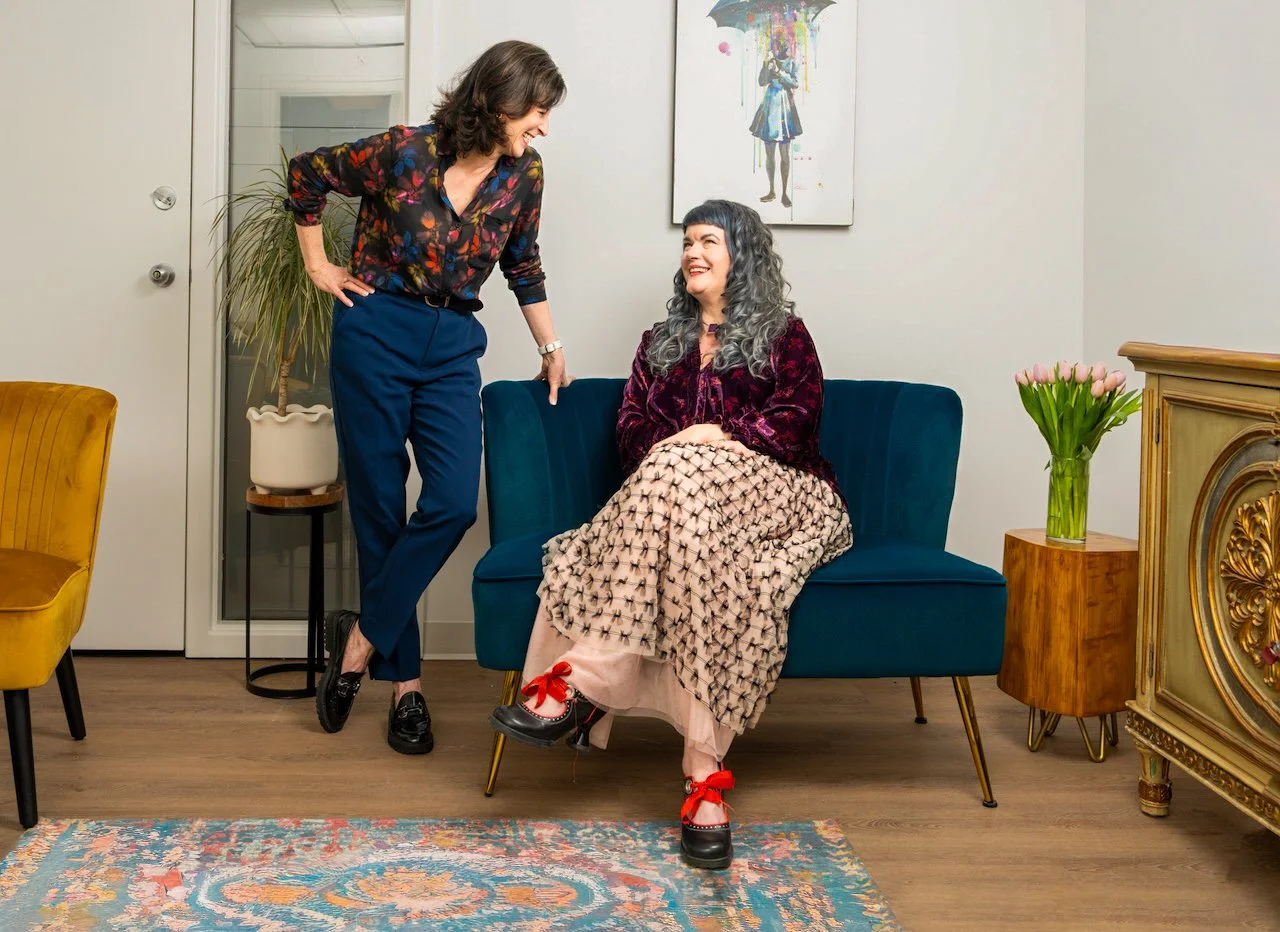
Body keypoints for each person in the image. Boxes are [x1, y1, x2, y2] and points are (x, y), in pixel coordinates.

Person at [489, 199, 851, 869]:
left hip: (782, 496)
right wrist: (684, 451)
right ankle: (703, 778)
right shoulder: (660, 341)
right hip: (684, 509)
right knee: (685, 519)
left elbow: (798, 423)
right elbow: (631, 434)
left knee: (681, 463)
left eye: (709, 240)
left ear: (742, 255)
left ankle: (578, 681)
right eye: (687, 241)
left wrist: (714, 436)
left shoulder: (784, 334)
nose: (693, 251)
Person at [283, 40, 571, 755]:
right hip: (375, 331)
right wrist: (318, 264)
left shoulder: (524, 172)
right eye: (535, 112)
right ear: (496, 101)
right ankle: (406, 688)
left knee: (449, 501)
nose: (542, 127)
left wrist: (551, 346)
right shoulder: (401, 153)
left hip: (450, 347)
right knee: (380, 508)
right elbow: (305, 175)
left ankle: (357, 644)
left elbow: (522, 262)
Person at [749, 35, 802, 207]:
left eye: (784, 43)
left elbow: (794, 83)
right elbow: (761, 82)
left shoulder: (792, 62)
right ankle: (772, 190)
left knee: (785, 155)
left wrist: (779, 72)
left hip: (785, 108)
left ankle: (784, 192)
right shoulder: (769, 60)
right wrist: (766, 68)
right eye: (777, 44)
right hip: (770, 105)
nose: (781, 46)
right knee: (769, 153)